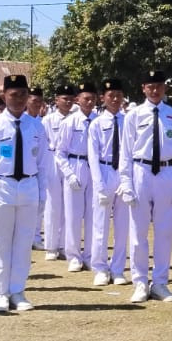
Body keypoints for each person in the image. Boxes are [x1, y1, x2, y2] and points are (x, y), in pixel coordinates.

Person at [0, 75, 49, 314]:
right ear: (4, 96)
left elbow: (43, 163)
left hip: (28, 186)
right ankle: (0, 293)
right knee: (0, 242)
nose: (18, 99)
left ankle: (17, 290)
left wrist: (42, 194)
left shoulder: (36, 126)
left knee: (24, 243)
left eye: (23, 94)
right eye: (13, 95)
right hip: (1, 186)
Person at [122, 71, 172, 302]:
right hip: (141, 171)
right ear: (143, 88)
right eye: (150, 86)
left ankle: (160, 283)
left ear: (164, 88)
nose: (155, 90)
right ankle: (140, 282)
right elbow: (126, 152)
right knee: (138, 232)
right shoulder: (134, 115)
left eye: (159, 86)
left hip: (167, 172)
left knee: (164, 231)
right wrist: (126, 182)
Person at [86, 79, 132, 290]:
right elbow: (93, 155)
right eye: (111, 95)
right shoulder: (96, 123)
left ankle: (118, 269)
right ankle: (100, 268)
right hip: (104, 171)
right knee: (100, 225)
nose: (115, 99)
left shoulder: (128, 121)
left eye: (118, 95)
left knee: (123, 226)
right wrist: (99, 185)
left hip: (122, 172)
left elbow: (132, 152)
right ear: (103, 98)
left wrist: (127, 179)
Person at [56, 83, 97, 274]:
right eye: (85, 98)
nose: (89, 102)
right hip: (76, 164)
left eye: (92, 99)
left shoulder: (98, 121)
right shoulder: (70, 122)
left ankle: (90, 255)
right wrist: (69, 174)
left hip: (94, 167)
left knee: (93, 214)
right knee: (73, 215)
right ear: (78, 100)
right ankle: (73, 256)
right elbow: (60, 152)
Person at [41, 83, 74, 261]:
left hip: (70, 161)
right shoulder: (48, 120)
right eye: (64, 99)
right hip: (52, 160)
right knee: (53, 205)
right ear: (56, 100)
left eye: (70, 99)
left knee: (69, 204)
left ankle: (64, 244)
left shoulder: (75, 119)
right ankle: (51, 246)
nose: (68, 102)